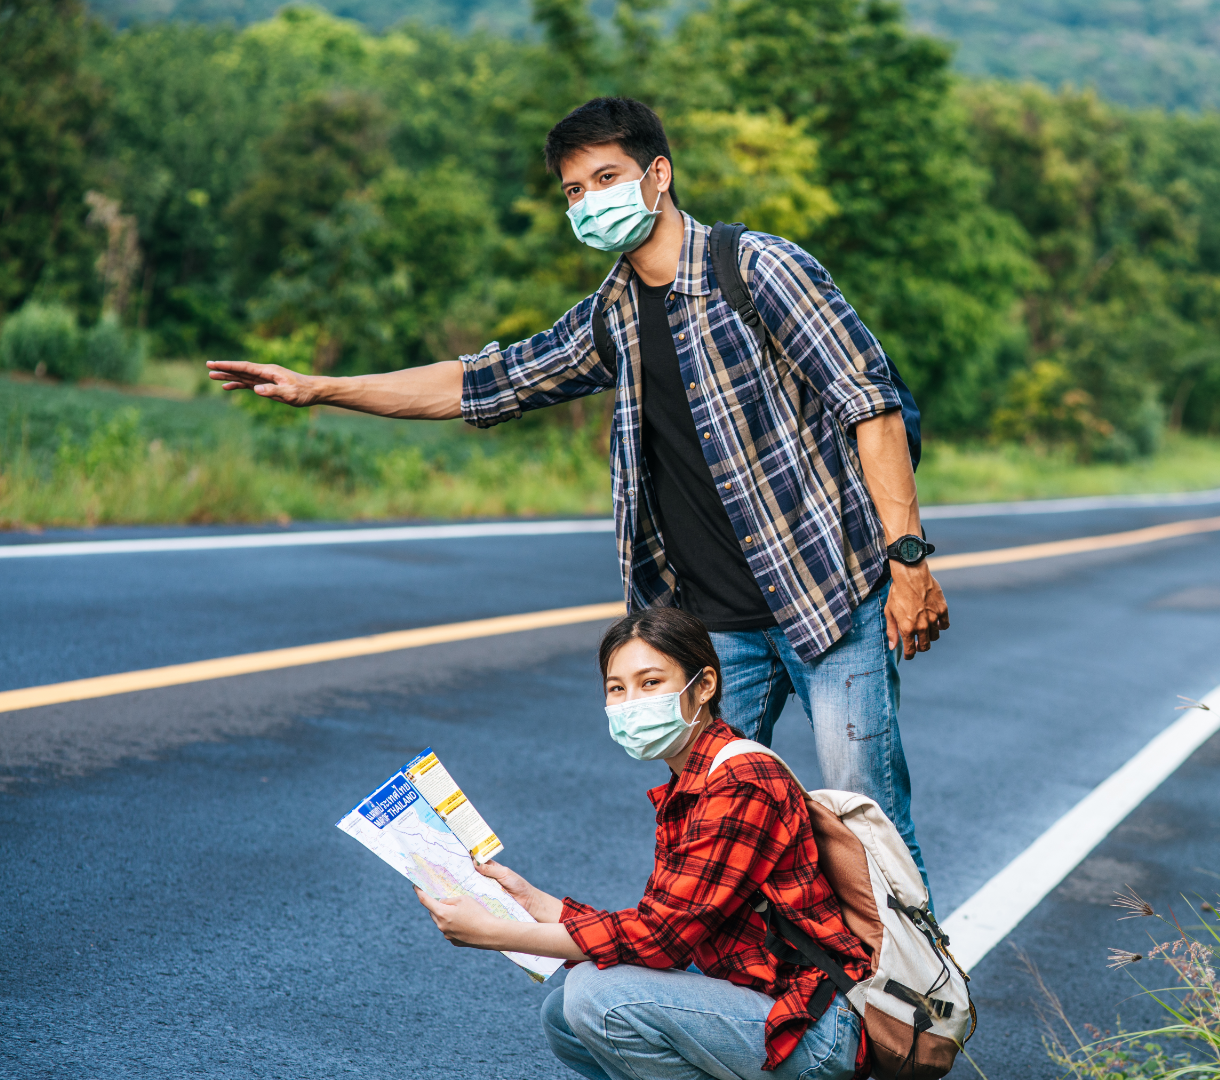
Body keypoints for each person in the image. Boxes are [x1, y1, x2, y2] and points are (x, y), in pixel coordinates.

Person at [207, 96, 948, 880]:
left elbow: (870, 404)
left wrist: (908, 562)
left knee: (868, 831)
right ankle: (765, 999)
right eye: (574, 191)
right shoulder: (611, 316)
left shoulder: (759, 269)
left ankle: (916, 1002)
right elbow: (479, 383)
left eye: (607, 177)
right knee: (714, 843)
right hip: (712, 632)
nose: (591, 201)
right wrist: (320, 388)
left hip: (827, 600)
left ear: (657, 175)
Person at [415, 608, 871, 1080]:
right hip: (756, 994)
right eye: (617, 688)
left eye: (650, 683)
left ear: (705, 684)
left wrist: (493, 934)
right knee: (564, 1016)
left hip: (812, 1030)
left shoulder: (741, 781)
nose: (630, 703)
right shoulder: (693, 779)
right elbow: (659, 930)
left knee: (597, 996)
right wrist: (531, 900)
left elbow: (658, 938)